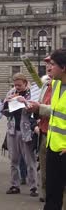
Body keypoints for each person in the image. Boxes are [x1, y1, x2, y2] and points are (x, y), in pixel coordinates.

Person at [3, 73, 38, 197]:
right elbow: (5, 112)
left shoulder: (32, 93)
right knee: (13, 160)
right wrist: (7, 102)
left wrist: (25, 102)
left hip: (27, 131)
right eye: (15, 85)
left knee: (30, 160)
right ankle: (14, 185)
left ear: (25, 83)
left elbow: (36, 111)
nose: (17, 87)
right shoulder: (11, 92)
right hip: (13, 130)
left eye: (19, 85)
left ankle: (33, 187)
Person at [39, 49, 66, 210]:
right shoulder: (55, 84)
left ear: (63, 67)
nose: (49, 68)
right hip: (52, 148)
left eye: (52, 64)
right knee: (52, 196)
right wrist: (37, 108)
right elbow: (55, 111)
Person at [27, 57, 54, 203]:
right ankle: (45, 195)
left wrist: (40, 108)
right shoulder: (45, 85)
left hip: (58, 136)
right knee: (44, 169)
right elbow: (41, 107)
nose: (48, 67)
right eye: (47, 64)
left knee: (56, 174)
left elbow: (59, 110)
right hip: (44, 133)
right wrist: (34, 109)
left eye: (52, 64)